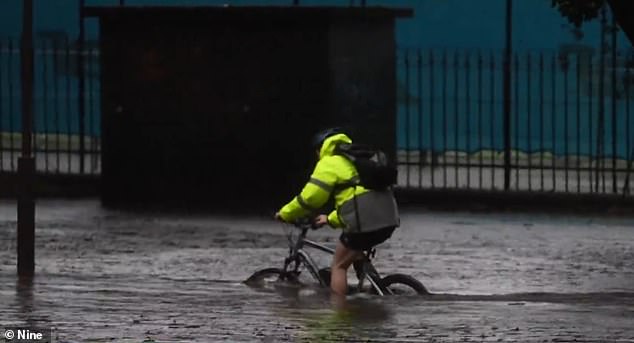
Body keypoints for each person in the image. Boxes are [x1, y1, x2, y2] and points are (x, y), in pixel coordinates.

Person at [275, 127, 399, 295]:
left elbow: (311, 198)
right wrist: (330, 219)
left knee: (338, 266)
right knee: (354, 249)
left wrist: (285, 213)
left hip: (364, 221)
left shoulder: (330, 162)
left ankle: (339, 313)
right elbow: (355, 198)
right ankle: (375, 288)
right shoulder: (359, 160)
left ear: (321, 149)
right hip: (388, 218)